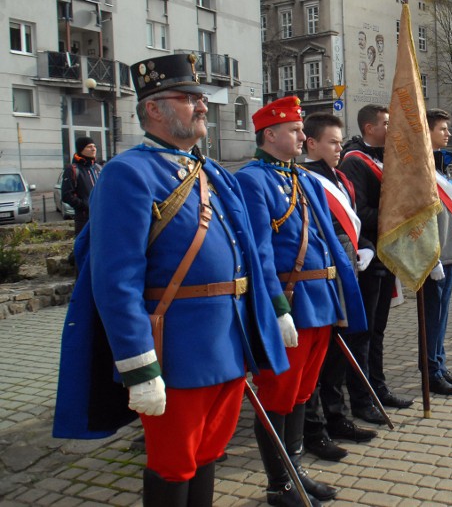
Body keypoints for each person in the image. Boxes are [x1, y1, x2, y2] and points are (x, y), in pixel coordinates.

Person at [52, 53, 290, 506]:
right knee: (173, 462)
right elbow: (115, 278)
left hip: (229, 342)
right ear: (155, 109)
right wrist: (139, 366)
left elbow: (248, 255)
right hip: (176, 350)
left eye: (201, 98)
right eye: (189, 98)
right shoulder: (128, 173)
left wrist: (270, 314)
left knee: (206, 455)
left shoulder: (211, 171)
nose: (202, 106)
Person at [236, 97, 367, 506]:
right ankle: (280, 485)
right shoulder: (252, 180)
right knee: (278, 395)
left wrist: (342, 297)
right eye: (294, 131)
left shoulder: (306, 180)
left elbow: (328, 240)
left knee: (301, 394)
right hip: (291, 303)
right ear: (270, 135)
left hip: (321, 301)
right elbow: (257, 251)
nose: (301, 136)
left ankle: (295, 469)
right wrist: (276, 307)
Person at [300, 113, 378, 461]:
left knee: (339, 350)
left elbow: (351, 220)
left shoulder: (341, 178)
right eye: (332, 142)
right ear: (311, 143)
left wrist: (365, 246)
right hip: (320, 279)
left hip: (348, 272)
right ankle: (314, 426)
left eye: (340, 141)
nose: (339, 148)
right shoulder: (304, 178)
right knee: (318, 357)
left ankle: (338, 416)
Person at [339, 104, 414, 425]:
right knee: (364, 332)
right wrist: (396, 215)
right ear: (369, 127)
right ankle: (360, 398)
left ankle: (377, 387)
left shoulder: (384, 158)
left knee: (378, 330)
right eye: (386, 122)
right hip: (369, 258)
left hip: (386, 255)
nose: (391, 127)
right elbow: (358, 214)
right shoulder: (355, 162)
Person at [424, 109, 452, 395]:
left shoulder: (441, 164)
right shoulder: (420, 167)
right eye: (442, 129)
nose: (448, 134)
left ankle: (439, 364)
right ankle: (430, 370)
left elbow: (450, 213)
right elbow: (421, 218)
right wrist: (431, 255)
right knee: (432, 316)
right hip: (434, 255)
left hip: (449, 250)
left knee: (442, 315)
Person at [61, 136, 102, 235]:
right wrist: (85, 205)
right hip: (84, 219)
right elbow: (66, 195)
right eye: (89, 147)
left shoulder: (98, 168)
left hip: (101, 217)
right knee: (85, 247)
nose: (93, 149)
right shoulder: (73, 169)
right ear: (81, 149)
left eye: (94, 146)